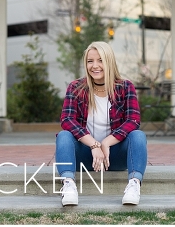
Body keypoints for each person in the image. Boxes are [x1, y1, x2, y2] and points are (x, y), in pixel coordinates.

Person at [55, 41, 146, 207]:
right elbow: (67, 120)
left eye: (100, 60)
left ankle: (134, 185)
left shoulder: (125, 87)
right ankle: (68, 185)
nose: (94, 66)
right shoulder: (76, 87)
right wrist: (94, 145)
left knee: (138, 136)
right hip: (85, 157)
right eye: (90, 61)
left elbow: (133, 120)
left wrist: (106, 142)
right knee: (64, 136)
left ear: (109, 61)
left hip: (115, 157)